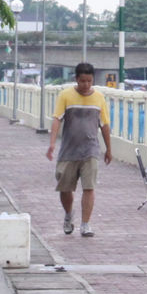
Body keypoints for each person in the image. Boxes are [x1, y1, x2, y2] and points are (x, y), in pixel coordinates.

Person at [46, 61, 112, 237]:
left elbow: (105, 125)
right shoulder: (66, 96)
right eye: (83, 81)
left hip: (90, 150)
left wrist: (108, 149)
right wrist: (52, 143)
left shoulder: (99, 98)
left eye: (90, 81)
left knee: (89, 187)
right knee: (65, 189)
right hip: (68, 150)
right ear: (76, 79)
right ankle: (68, 214)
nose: (86, 85)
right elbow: (56, 119)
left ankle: (85, 224)